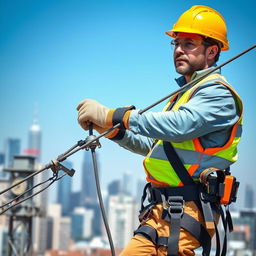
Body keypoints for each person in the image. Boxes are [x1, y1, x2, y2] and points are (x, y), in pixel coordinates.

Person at [76, 5, 243, 256]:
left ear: (212, 51)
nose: (178, 50)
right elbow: (158, 147)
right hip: (160, 210)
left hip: (188, 210)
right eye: (176, 44)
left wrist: (113, 115)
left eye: (189, 44)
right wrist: (115, 132)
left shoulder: (218, 94)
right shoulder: (186, 94)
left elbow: (179, 126)